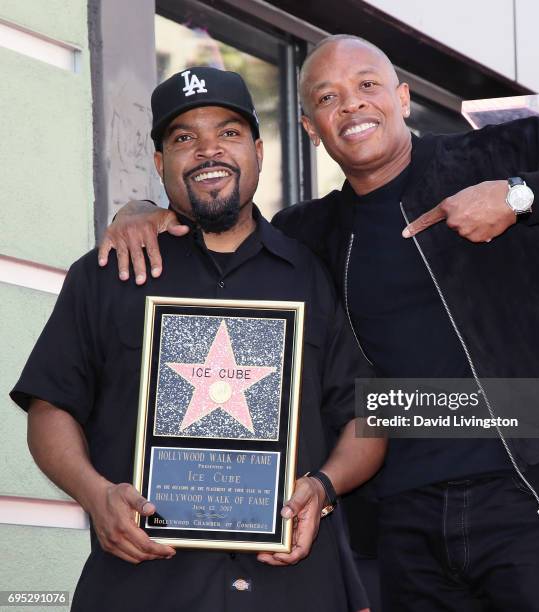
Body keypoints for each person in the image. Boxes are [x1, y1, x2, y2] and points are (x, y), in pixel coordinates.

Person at [98, 36, 539, 611]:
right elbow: (221, 230)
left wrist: (520, 196)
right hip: (398, 521)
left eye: (367, 85)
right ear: (311, 127)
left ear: (403, 97)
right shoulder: (309, 236)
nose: (352, 105)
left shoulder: (503, 156)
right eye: (328, 96)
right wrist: (136, 211)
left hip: (532, 492)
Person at [10, 65, 386, 612]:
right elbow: (50, 405)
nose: (209, 151)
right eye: (185, 138)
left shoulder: (313, 273)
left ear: (258, 149)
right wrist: (96, 497)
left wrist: (323, 489)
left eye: (228, 133)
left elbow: (366, 413)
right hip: (145, 588)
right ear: (161, 163)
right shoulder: (106, 274)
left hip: (294, 589)